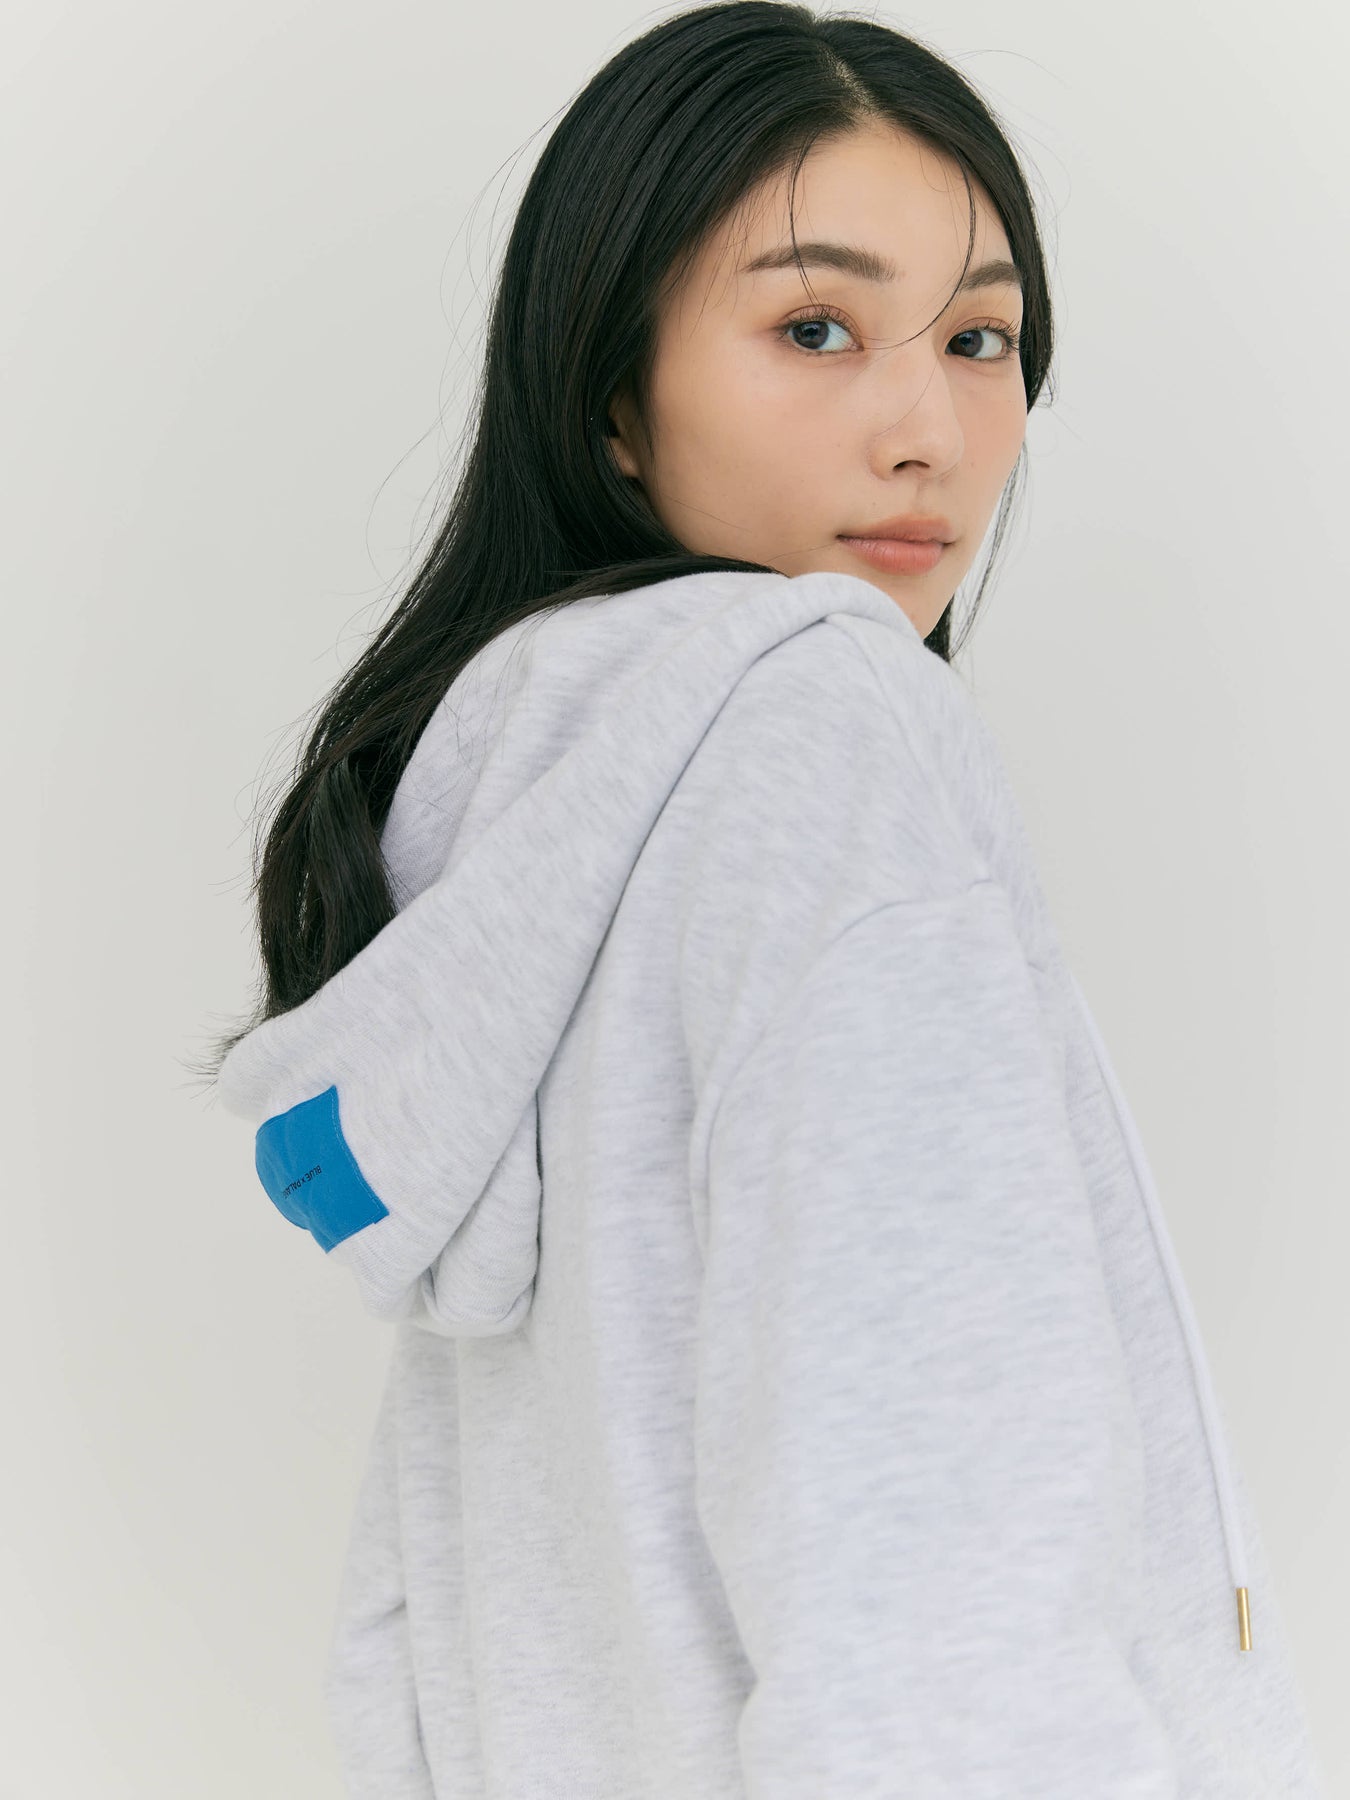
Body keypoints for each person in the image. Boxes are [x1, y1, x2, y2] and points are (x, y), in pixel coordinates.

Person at [199, 4, 1328, 1794]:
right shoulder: (829, 729)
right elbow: (938, 1566)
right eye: (814, 328)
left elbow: (413, 1626)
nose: (928, 429)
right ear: (611, 401)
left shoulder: (526, 831)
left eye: (978, 339)